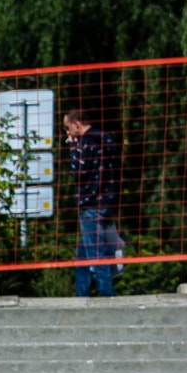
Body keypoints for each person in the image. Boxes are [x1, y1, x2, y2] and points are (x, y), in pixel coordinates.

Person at [63, 109, 119, 298]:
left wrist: (72, 149)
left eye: (68, 128)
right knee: (83, 254)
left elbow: (77, 172)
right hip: (107, 202)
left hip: (90, 204)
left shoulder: (84, 143)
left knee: (96, 253)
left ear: (77, 123)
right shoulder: (107, 138)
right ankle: (81, 295)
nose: (67, 133)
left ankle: (107, 297)